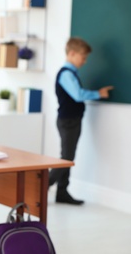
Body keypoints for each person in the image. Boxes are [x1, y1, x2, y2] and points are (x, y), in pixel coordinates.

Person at [49, 37, 114, 205]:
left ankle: (62, 192)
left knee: (68, 157)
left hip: (72, 120)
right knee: (66, 158)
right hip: (68, 121)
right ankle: (41, 187)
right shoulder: (66, 74)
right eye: (83, 57)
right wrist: (98, 94)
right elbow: (77, 95)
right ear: (72, 54)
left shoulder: (70, 73)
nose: (84, 62)